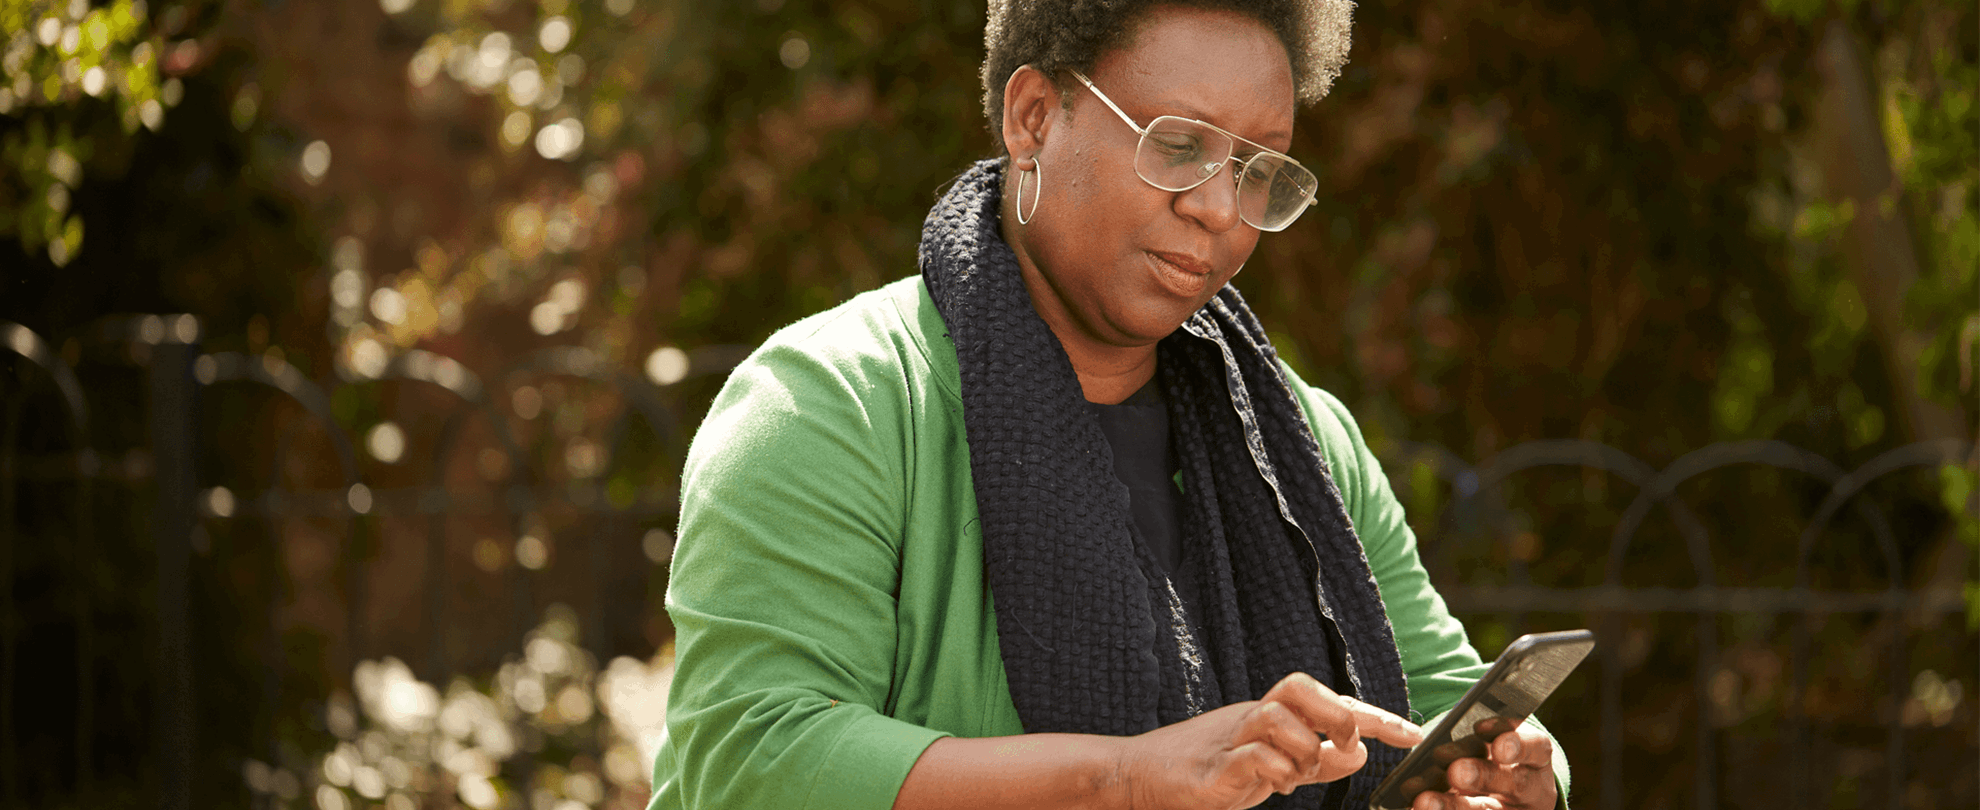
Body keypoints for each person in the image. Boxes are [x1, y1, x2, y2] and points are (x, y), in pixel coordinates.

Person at [646, 2, 1570, 809]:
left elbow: (1440, 691)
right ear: (1034, 117)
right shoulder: (832, 402)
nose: (1220, 209)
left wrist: (1513, 771)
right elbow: (754, 756)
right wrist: (1126, 781)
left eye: (1259, 169)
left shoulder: (1302, 441)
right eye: (1179, 146)